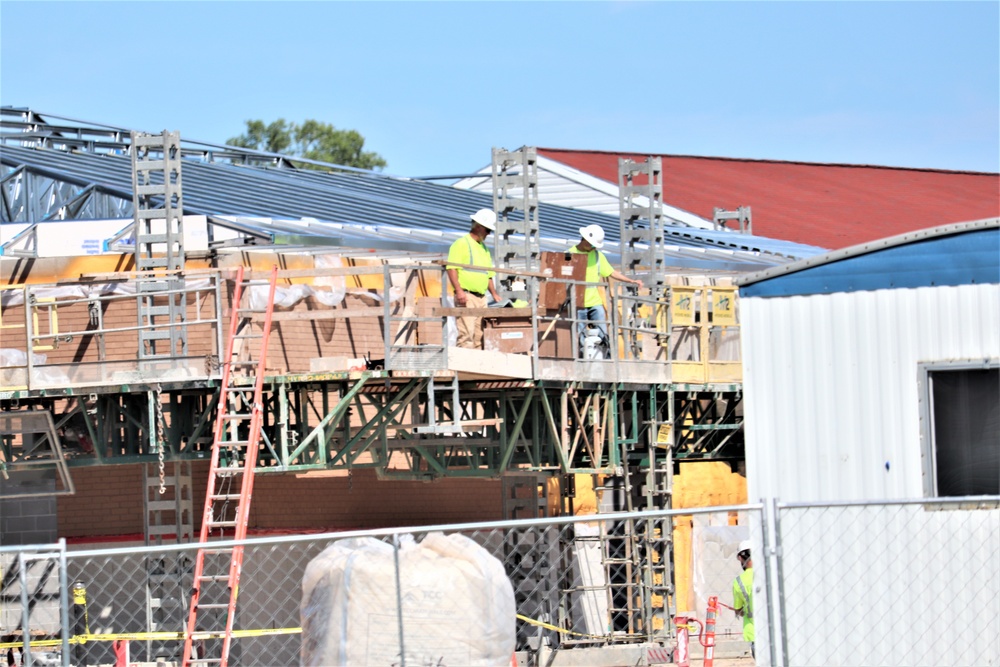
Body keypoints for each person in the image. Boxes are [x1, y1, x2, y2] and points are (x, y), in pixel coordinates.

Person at [569, 224, 643, 358]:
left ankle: (606, 360)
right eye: (591, 245)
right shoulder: (569, 254)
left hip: (594, 302)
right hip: (577, 303)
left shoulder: (598, 256)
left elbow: (611, 272)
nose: (593, 248)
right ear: (584, 239)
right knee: (579, 336)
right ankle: (581, 362)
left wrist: (630, 281)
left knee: (603, 333)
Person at [446, 208, 502, 349]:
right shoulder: (461, 244)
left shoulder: (484, 248)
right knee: (466, 335)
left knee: (480, 336)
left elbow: (488, 274)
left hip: (482, 298)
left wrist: (494, 294)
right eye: (487, 230)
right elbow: (451, 268)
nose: (489, 234)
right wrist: (459, 291)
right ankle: (463, 370)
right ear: (478, 227)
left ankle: (477, 369)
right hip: (467, 296)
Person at [733, 539, 755, 659]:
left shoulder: (739, 581)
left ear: (741, 558)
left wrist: (742, 611)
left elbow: (738, 609)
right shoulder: (769, 573)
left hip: (754, 632)